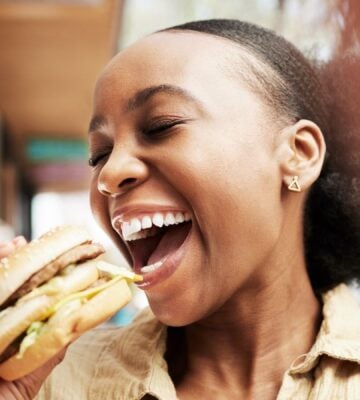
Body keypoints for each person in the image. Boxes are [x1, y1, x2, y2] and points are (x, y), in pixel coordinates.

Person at [1, 18, 360, 400]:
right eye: (99, 155)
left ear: (299, 154)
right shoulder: (47, 385)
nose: (109, 174)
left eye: (161, 125)